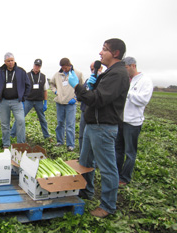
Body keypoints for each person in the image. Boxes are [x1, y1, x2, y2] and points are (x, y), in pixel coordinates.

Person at [68, 38, 130, 218]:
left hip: (103, 127)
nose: (100, 53)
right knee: (85, 162)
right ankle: (86, 191)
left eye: (104, 49)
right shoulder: (109, 72)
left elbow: (98, 100)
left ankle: (108, 206)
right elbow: (94, 96)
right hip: (92, 124)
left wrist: (77, 86)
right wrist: (92, 85)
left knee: (108, 168)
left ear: (116, 53)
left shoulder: (118, 74)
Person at [115, 57, 153, 185]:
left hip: (133, 122)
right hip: (121, 119)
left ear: (133, 66)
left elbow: (143, 100)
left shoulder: (145, 81)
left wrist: (128, 93)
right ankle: (116, 173)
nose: (124, 71)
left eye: (125, 68)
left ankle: (125, 178)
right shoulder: (125, 79)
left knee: (130, 152)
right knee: (118, 149)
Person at [0, 52, 31, 148]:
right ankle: (6, 144)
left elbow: (28, 85)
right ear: (5, 62)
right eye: (8, 61)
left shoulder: (21, 72)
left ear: (14, 61)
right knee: (5, 124)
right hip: (4, 102)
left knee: (20, 121)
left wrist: (23, 97)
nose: (10, 62)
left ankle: (20, 144)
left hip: (17, 101)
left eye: (12, 60)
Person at [11, 59, 50, 139]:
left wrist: (45, 102)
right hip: (28, 100)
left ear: (40, 67)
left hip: (39, 101)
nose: (37, 67)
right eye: (36, 65)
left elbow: (45, 90)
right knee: (20, 117)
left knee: (42, 119)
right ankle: (12, 134)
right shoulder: (27, 75)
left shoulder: (43, 76)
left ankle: (46, 136)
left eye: (38, 66)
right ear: (33, 65)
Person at [50, 58, 83, 151]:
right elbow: (51, 84)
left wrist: (76, 98)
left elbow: (82, 87)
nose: (64, 70)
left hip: (70, 103)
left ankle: (70, 145)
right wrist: (55, 91)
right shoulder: (57, 75)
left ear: (69, 65)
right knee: (60, 123)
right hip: (60, 102)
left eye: (66, 68)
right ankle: (60, 142)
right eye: (63, 68)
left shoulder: (77, 74)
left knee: (70, 125)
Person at [79, 61, 103, 153]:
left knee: (93, 138)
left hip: (96, 114)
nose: (94, 71)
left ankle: (93, 159)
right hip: (85, 111)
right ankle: (82, 155)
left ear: (101, 68)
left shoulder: (103, 81)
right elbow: (82, 95)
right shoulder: (88, 80)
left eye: (96, 69)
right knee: (82, 135)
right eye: (92, 69)